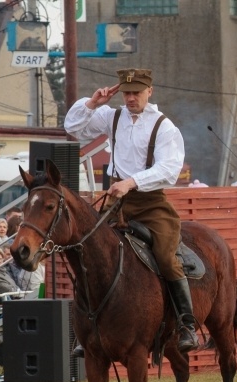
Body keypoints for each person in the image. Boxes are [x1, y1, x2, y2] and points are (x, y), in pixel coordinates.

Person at [64, 67, 198, 353]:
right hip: (116, 201)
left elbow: (169, 170)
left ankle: (187, 324)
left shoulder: (164, 126)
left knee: (164, 255)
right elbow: (72, 128)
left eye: (136, 92)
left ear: (150, 91)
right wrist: (92, 103)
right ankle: (87, 327)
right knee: (89, 251)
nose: (130, 98)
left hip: (150, 203)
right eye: (126, 93)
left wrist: (132, 182)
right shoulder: (111, 116)